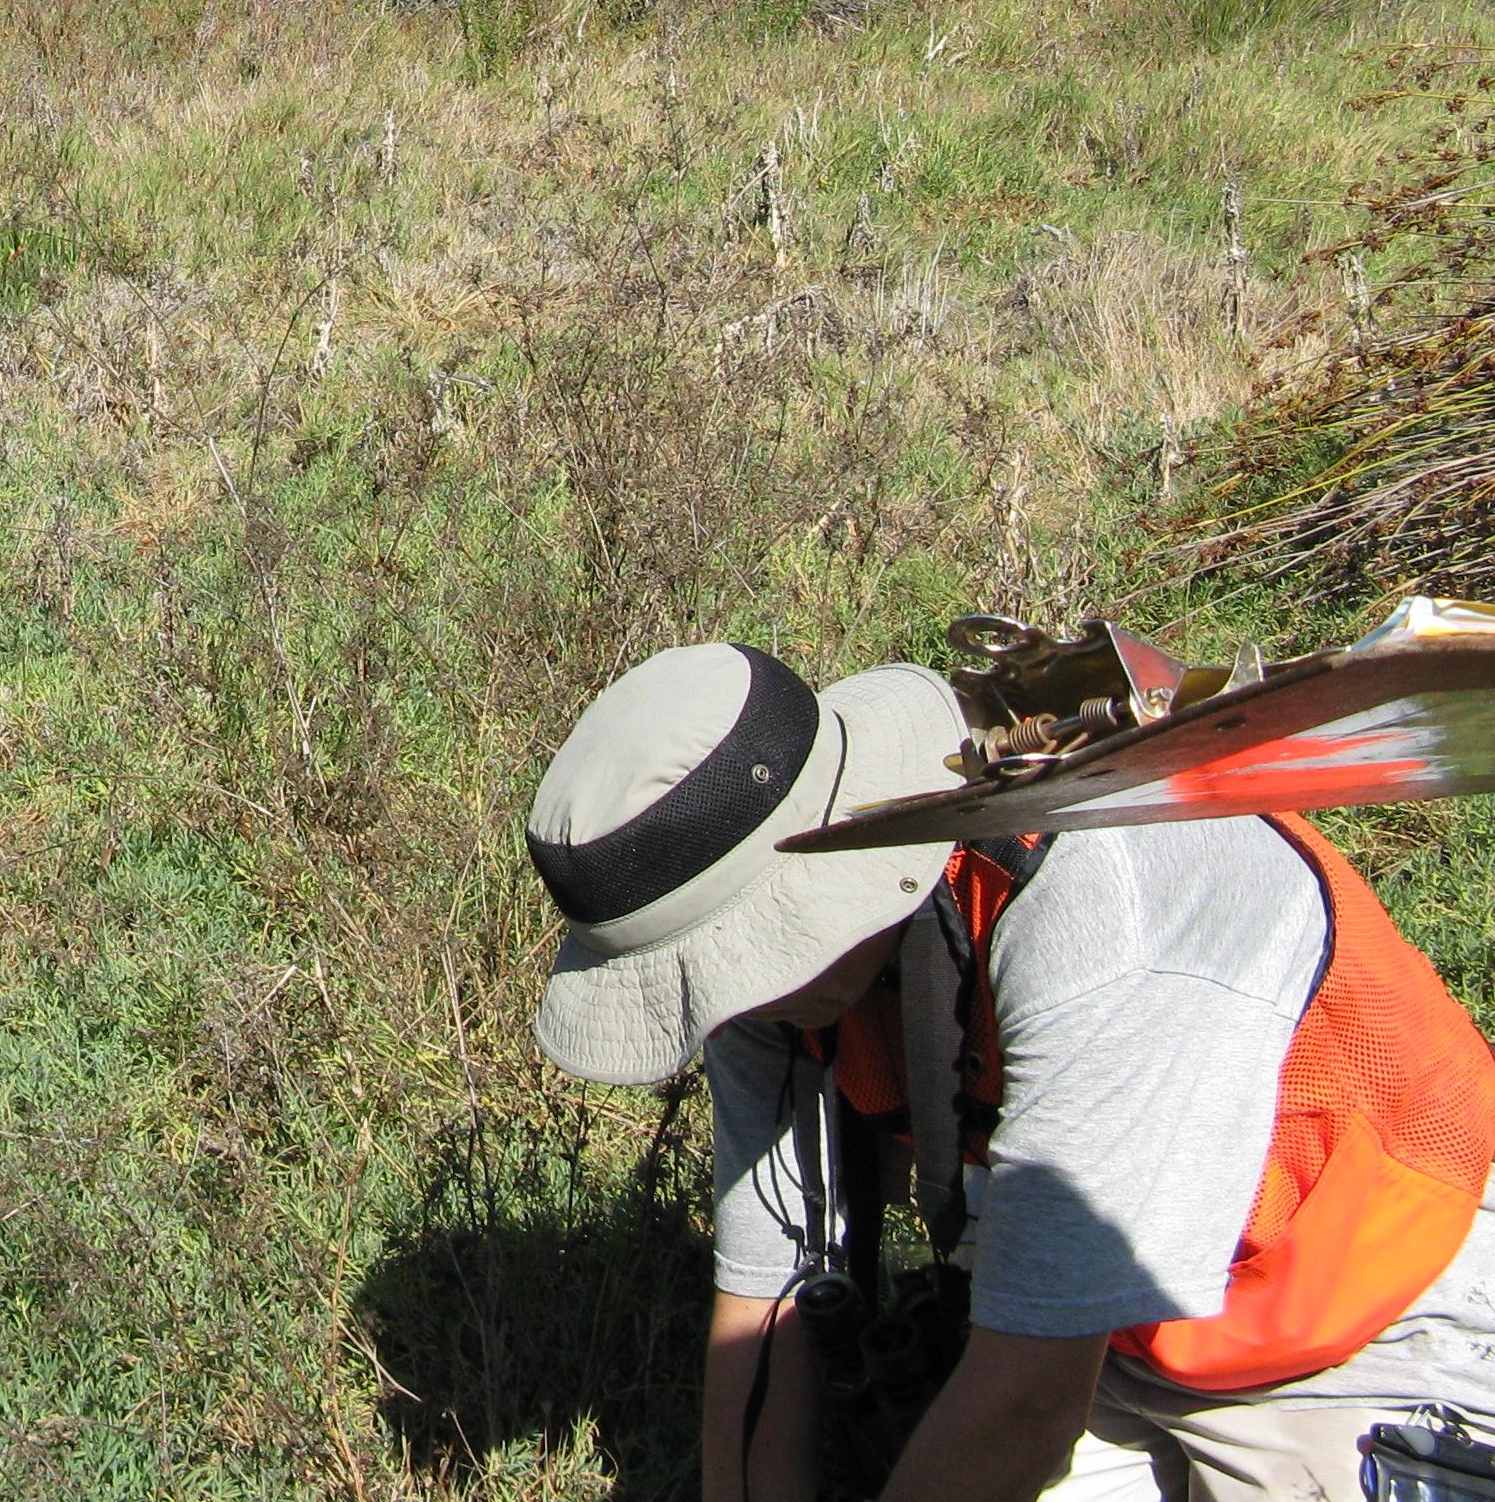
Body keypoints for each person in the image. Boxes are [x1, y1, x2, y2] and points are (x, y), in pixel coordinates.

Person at [521, 640, 1495, 1502]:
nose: (728, 1010)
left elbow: (1027, 1405)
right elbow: (769, 1301)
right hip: (1100, 1343)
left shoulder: (1103, 907)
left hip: (1365, 1319)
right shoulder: (768, 985)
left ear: (811, 892)